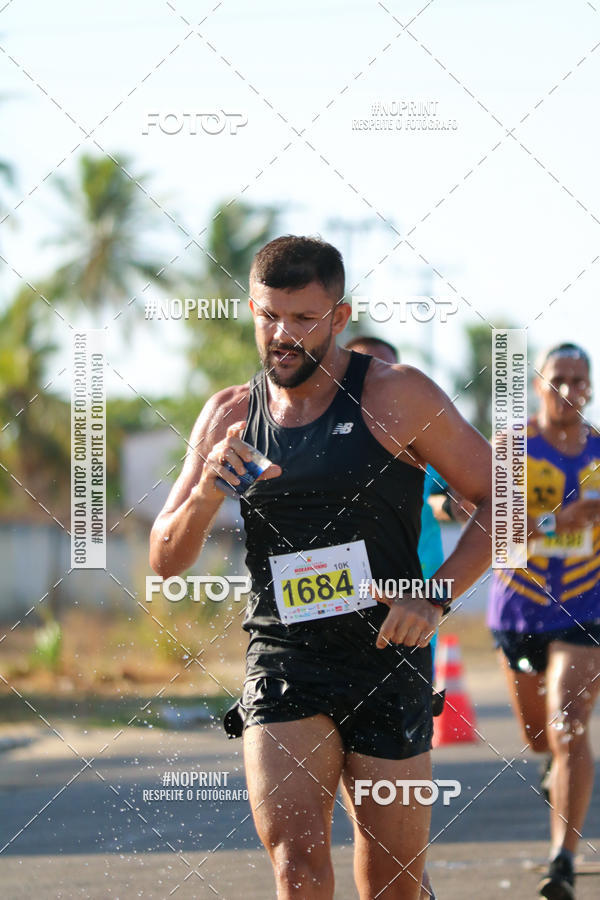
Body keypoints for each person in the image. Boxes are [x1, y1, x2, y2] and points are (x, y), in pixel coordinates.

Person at [150, 235, 492, 899]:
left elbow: (499, 499)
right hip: (284, 660)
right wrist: (203, 495)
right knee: (296, 868)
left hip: (386, 659)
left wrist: (436, 595)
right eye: (268, 316)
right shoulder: (228, 414)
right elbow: (165, 560)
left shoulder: (398, 396)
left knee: (391, 881)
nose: (283, 335)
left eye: (304, 319)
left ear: (339, 317)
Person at [487, 342, 600, 900]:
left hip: (585, 609)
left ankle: (562, 858)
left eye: (581, 380)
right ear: (539, 385)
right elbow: (500, 535)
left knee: (569, 719)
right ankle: (553, 768)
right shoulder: (511, 449)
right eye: (559, 378)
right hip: (519, 610)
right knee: (540, 740)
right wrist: (562, 520)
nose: (571, 389)